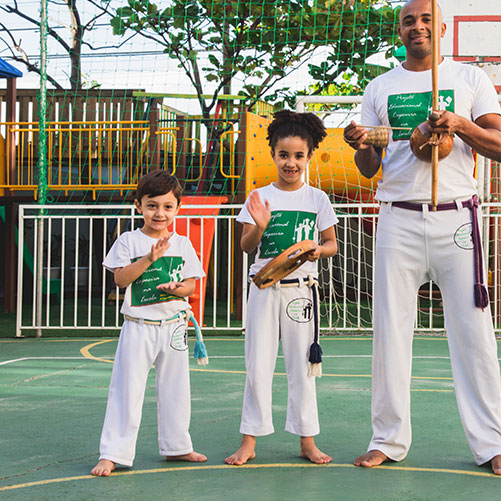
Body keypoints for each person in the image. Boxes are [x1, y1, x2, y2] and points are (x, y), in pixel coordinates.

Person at [343, 0, 501, 476]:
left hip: (457, 217)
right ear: (399, 32)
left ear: (441, 29)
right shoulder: (381, 86)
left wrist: (458, 124)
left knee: (473, 333)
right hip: (397, 214)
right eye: (407, 21)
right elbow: (370, 167)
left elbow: (500, 147)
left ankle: (491, 443)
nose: (416, 27)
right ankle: (388, 439)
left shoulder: (469, 78)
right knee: (390, 333)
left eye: (425, 20)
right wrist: (361, 144)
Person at [225, 110, 338, 466]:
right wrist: (259, 226)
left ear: (309, 157)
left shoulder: (317, 198)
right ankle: (249, 441)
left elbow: (331, 243)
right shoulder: (259, 197)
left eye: (298, 156)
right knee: (257, 364)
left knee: (301, 367)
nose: (291, 163)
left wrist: (318, 250)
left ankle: (307, 440)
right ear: (272, 154)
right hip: (263, 289)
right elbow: (246, 247)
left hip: (301, 291)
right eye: (284, 155)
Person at [91, 169, 207, 476]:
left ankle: (177, 446)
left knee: (176, 389)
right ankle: (113, 453)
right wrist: (150, 259)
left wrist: (176, 289)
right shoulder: (129, 241)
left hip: (174, 328)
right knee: (126, 390)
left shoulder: (182, 243)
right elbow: (120, 279)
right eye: (152, 205)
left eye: (168, 206)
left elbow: (190, 286)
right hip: (138, 327)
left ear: (178, 209)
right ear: (139, 206)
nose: (160, 213)